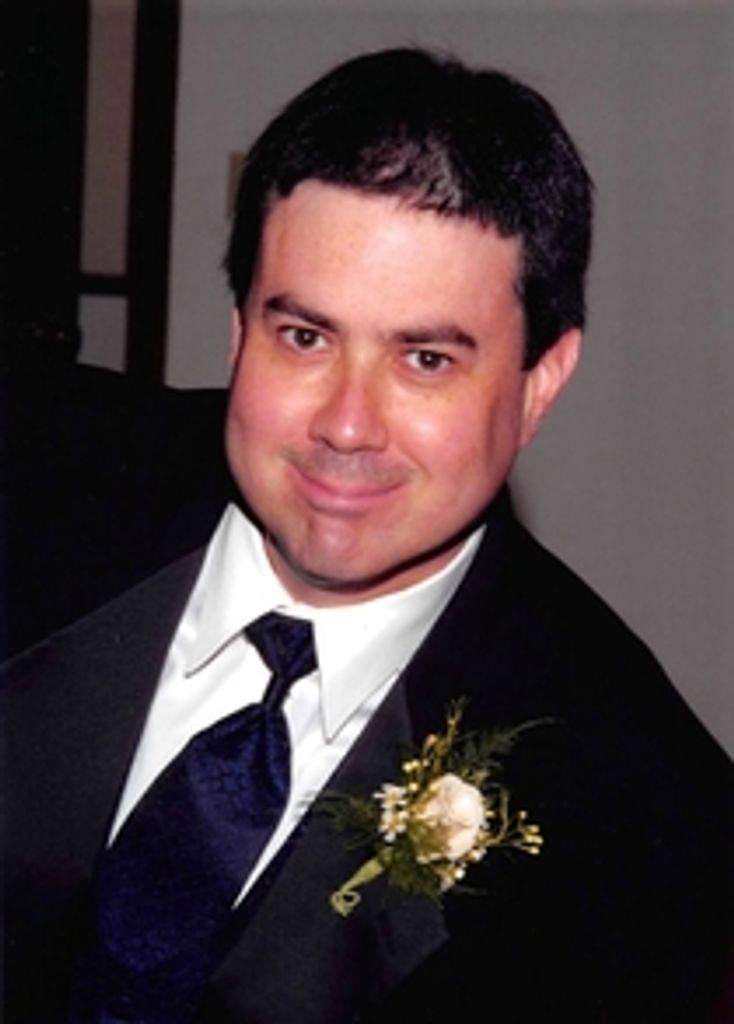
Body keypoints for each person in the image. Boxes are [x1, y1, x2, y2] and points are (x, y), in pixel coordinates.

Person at [3, 48, 730, 1023]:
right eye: (304, 337)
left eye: (424, 359)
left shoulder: (641, 812)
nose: (346, 426)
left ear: (539, 384)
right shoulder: (31, 473)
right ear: (239, 330)